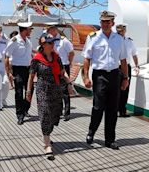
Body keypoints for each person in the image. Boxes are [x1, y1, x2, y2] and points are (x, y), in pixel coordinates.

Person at [82, 10, 129, 150]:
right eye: (103, 21)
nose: (105, 24)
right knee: (98, 107)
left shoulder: (119, 39)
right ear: (100, 23)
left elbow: (123, 60)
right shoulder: (93, 37)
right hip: (100, 75)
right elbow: (86, 58)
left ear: (112, 23)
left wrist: (125, 78)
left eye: (108, 22)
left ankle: (110, 139)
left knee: (112, 109)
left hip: (115, 75)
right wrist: (85, 77)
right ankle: (91, 132)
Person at [26, 34, 70, 159]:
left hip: (56, 89)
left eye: (53, 42)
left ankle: (47, 134)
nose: (52, 45)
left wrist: (69, 83)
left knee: (54, 115)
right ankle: (47, 144)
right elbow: (31, 76)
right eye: (49, 43)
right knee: (45, 114)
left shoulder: (56, 57)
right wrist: (28, 92)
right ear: (43, 45)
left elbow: (62, 72)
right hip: (42, 89)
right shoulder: (37, 59)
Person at [5, 22, 33, 125]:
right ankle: (20, 115)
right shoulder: (14, 41)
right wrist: (9, 73)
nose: (31, 31)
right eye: (30, 29)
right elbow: (7, 57)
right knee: (19, 92)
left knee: (30, 90)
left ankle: (25, 109)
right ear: (25, 30)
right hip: (18, 70)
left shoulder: (28, 41)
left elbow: (30, 54)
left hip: (28, 69)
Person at [47, 23, 75, 121]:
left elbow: (71, 52)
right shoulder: (49, 40)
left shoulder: (64, 41)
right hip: (53, 67)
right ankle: (58, 111)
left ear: (54, 29)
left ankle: (67, 113)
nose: (48, 31)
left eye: (49, 29)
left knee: (64, 90)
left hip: (63, 66)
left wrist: (69, 62)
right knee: (55, 90)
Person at [116, 23, 139, 118]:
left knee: (125, 89)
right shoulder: (113, 40)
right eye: (119, 31)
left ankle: (122, 110)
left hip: (126, 67)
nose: (120, 33)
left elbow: (134, 54)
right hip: (115, 67)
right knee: (115, 89)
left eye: (122, 31)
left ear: (125, 31)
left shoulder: (129, 41)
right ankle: (114, 109)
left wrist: (137, 65)